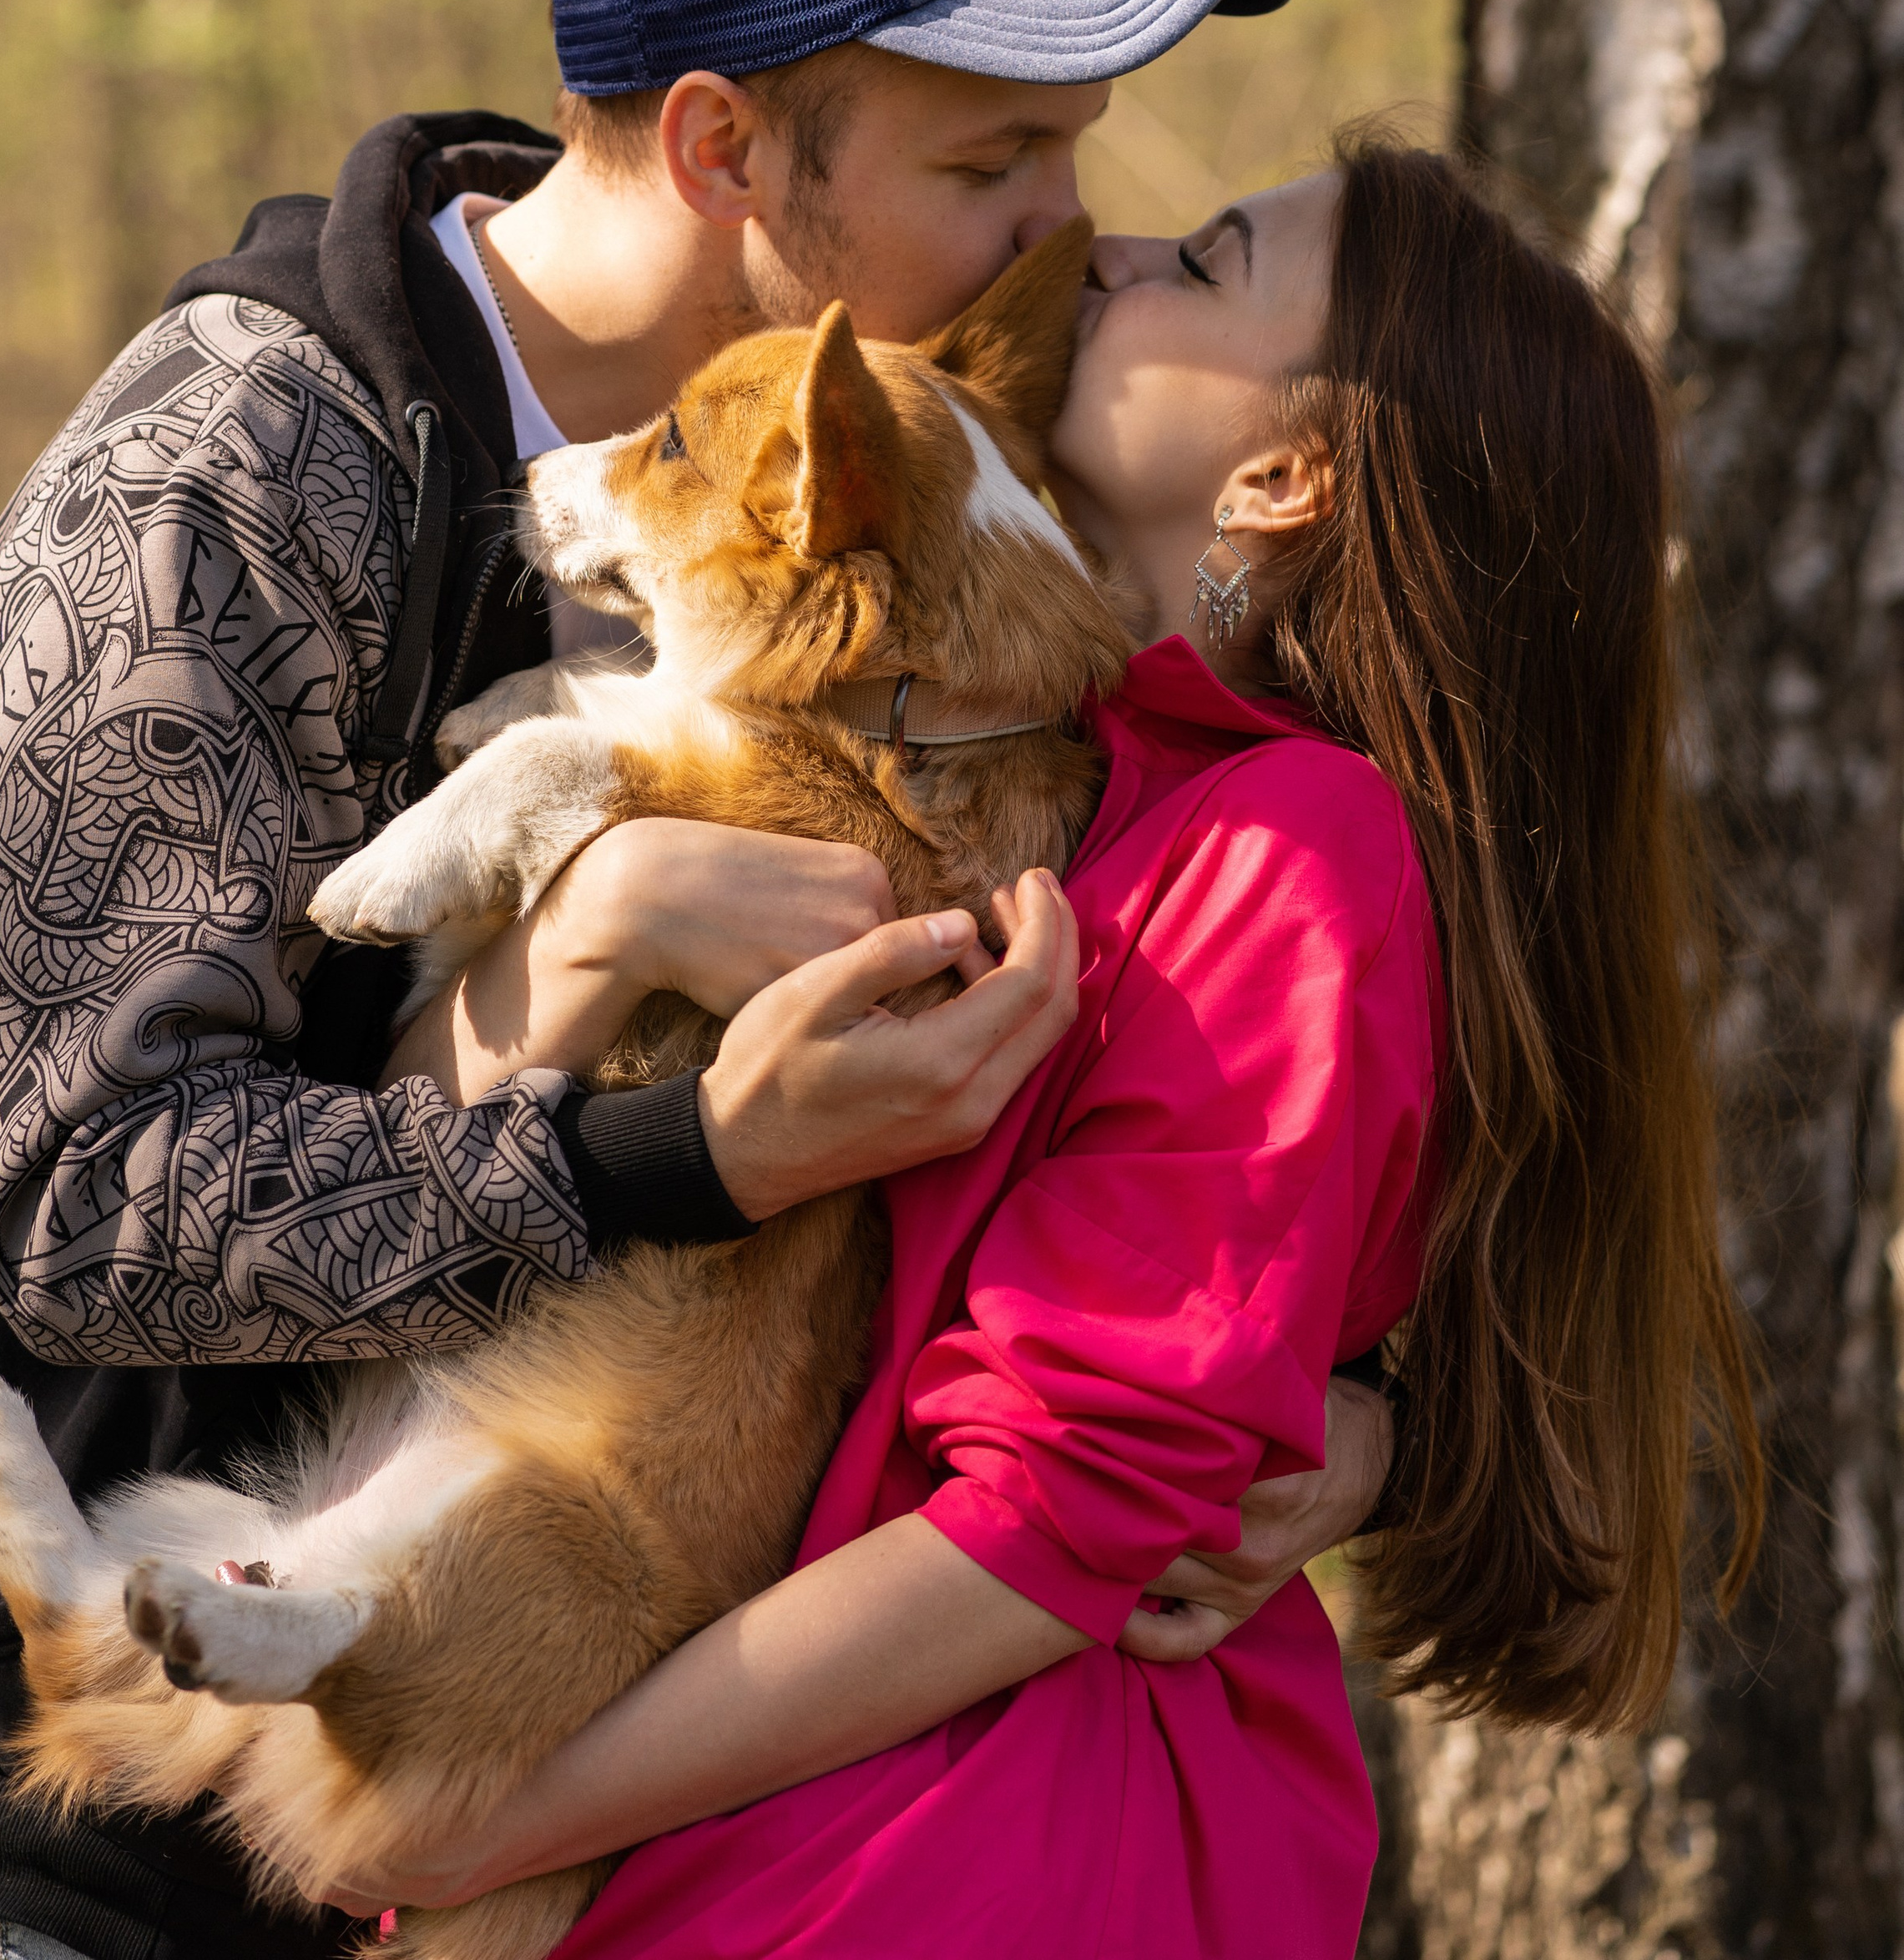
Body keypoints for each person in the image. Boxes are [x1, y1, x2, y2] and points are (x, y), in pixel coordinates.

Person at [0, 0, 1388, 1960]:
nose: (1077, 227)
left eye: (1077, 152)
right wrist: (663, 1142)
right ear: (724, 149)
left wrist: (1353, 1414)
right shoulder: (226, 486)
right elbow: (86, 1208)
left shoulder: (923, 440)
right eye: (998, 157)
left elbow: (1218, 995)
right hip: (173, 1835)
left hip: (680, 1814)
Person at [321, 138, 1765, 1957]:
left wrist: (487, 1813)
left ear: (1277, 474)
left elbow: (1042, 1525)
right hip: (808, 1794)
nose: (1110, 248)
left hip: (949, 1848)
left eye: (1209, 256)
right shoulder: (1077, 759)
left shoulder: (1288, 846)